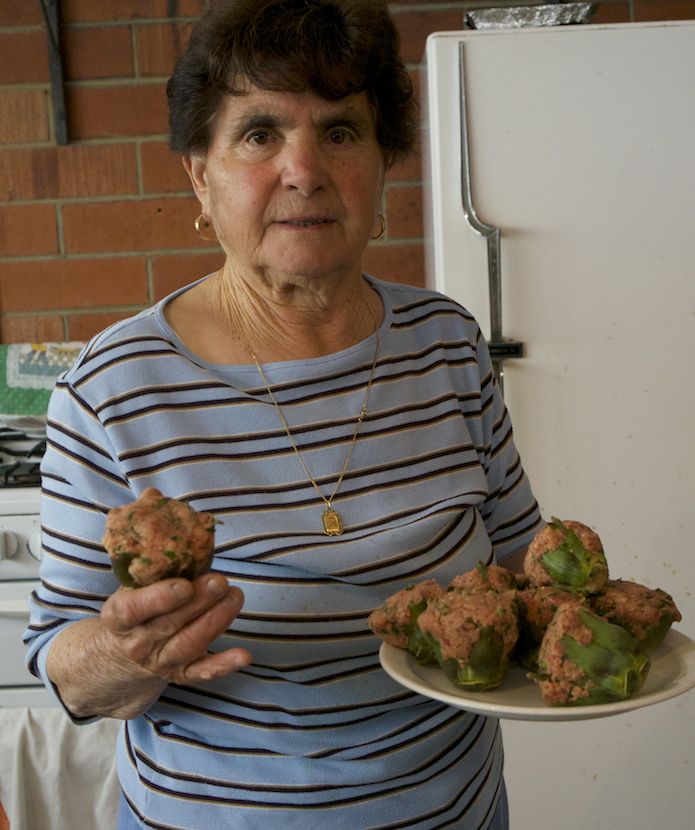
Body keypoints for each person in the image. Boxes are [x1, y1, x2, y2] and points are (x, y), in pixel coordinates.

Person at [25, 1, 542, 828]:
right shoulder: (114, 387)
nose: (303, 169)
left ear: (383, 164)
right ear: (201, 173)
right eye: (259, 134)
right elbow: (64, 670)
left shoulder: (445, 343)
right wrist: (124, 653)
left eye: (340, 132)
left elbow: (519, 563)